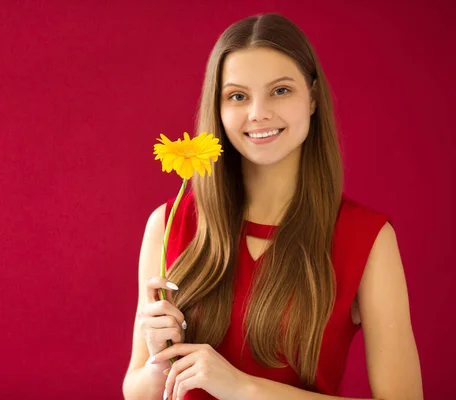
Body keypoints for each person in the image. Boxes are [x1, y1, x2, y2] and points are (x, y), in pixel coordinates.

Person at [122, 12, 423, 400]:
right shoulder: (168, 224)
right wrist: (157, 366)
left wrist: (240, 388)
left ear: (312, 98)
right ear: (219, 107)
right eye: (238, 96)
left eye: (280, 90)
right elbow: (136, 391)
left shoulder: (368, 239)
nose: (258, 113)